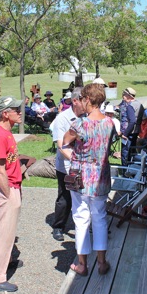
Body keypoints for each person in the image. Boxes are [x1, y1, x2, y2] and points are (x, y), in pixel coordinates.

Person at [62, 83, 115, 277]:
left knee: (81, 218)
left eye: (83, 99)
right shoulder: (110, 123)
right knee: (100, 217)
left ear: (88, 100)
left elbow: (64, 141)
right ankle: (101, 262)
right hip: (101, 176)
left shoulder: (79, 124)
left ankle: (82, 264)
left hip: (80, 176)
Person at [0, 96, 24, 292]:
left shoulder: (7, 133)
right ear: (5, 113)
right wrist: (8, 194)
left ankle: (5, 261)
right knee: (3, 233)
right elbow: (0, 170)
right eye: (15, 109)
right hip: (7, 189)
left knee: (9, 232)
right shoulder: (0, 136)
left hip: (13, 186)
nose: (19, 112)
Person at [50, 88, 84, 241]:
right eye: (85, 100)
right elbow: (61, 145)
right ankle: (58, 227)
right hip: (66, 166)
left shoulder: (87, 117)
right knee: (65, 197)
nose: (87, 103)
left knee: (83, 197)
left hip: (84, 165)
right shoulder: (62, 118)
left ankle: (84, 226)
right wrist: (76, 160)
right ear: (75, 101)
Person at [119, 87, 143, 166]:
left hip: (129, 132)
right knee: (132, 152)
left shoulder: (130, 106)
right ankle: (131, 169)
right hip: (136, 132)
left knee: (125, 153)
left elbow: (132, 121)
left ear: (129, 96)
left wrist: (125, 134)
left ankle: (125, 171)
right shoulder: (140, 104)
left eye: (124, 94)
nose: (123, 96)